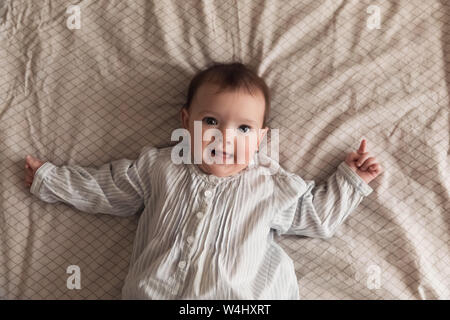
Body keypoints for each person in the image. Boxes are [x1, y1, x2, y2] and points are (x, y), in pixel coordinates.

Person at [24, 62, 383, 299]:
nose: (225, 138)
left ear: (259, 139)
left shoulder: (270, 185)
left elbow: (316, 216)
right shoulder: (159, 168)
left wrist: (350, 179)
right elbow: (106, 187)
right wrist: (50, 179)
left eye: (244, 128)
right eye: (211, 122)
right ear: (186, 121)